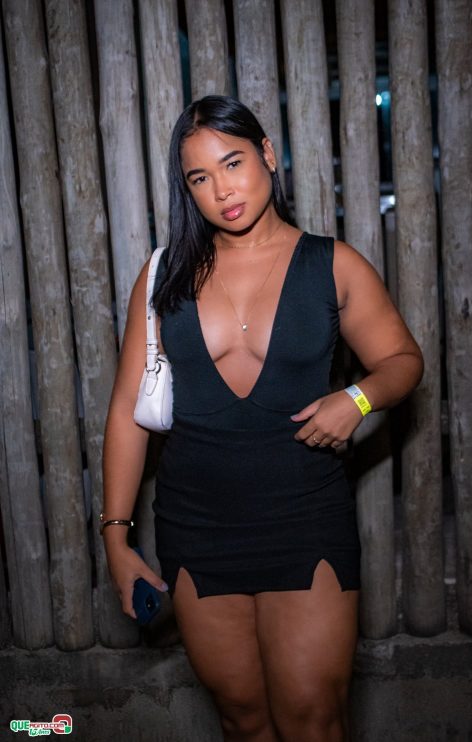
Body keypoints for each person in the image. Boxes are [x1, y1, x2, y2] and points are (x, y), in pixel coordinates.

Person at [102, 95, 423, 742]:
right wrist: (115, 539)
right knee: (242, 720)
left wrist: (356, 399)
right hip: (197, 525)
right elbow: (127, 413)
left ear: (268, 155)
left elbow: (401, 361)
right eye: (200, 177)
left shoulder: (332, 264)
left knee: (312, 718)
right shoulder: (164, 277)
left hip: (304, 518)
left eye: (233, 163)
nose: (222, 190)